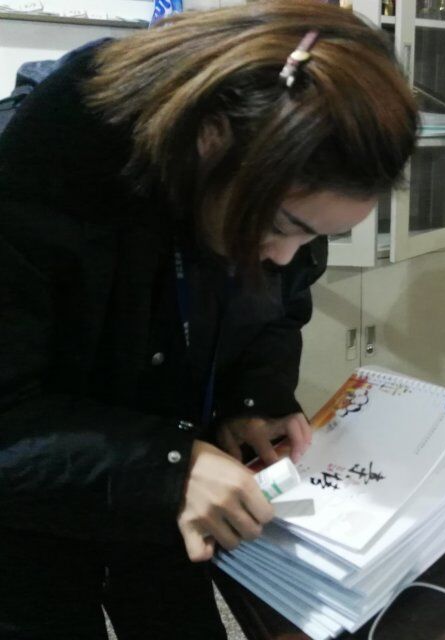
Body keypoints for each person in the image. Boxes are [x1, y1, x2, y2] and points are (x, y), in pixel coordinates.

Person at [0, 1, 416, 638]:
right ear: (211, 137)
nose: (287, 256)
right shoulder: (31, 179)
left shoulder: (266, 191)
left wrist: (255, 395)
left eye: (314, 237)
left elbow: (278, 308)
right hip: (36, 511)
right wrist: (168, 466)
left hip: (169, 497)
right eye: (282, 227)